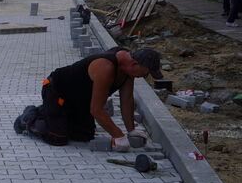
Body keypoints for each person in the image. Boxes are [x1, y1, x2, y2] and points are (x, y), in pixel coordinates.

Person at [14, 47, 163, 150]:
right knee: (58, 137)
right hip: (57, 91)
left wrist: (131, 131)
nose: (145, 77)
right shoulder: (106, 67)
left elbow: (126, 102)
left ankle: (50, 113)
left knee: (84, 135)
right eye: (145, 73)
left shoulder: (128, 72)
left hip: (79, 100)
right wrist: (118, 136)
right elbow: (96, 110)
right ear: (134, 63)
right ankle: (28, 117)